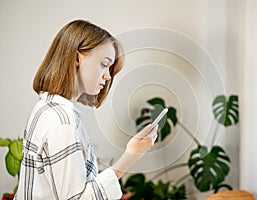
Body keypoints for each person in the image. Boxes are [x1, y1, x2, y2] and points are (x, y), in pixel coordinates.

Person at [14, 19, 158, 200]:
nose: (107, 76)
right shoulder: (63, 122)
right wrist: (130, 156)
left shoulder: (45, 107)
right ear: (76, 58)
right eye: (104, 64)